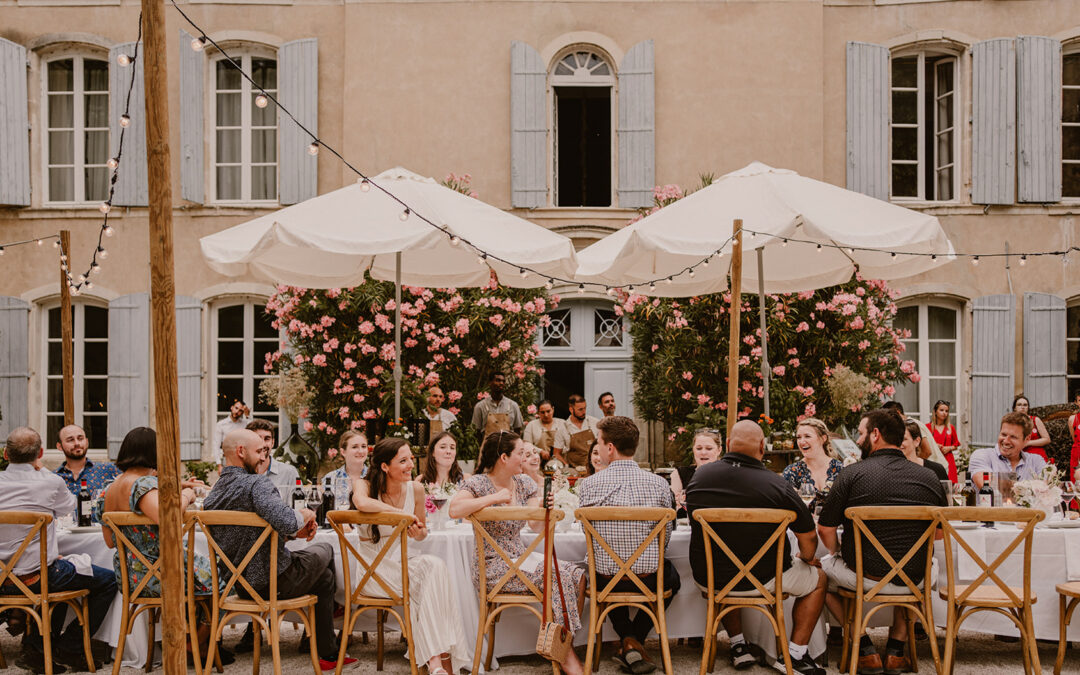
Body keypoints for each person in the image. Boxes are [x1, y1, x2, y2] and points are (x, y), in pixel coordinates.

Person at [204, 429, 356, 670]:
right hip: (275, 581)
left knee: (325, 578)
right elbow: (287, 520)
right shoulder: (256, 483)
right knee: (326, 547)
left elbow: (250, 535)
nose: (264, 458)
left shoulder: (215, 493)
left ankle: (325, 650)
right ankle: (333, 625)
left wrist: (290, 532)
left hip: (242, 587)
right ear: (241, 452)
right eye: (259, 452)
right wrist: (305, 515)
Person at [686, 420, 827, 675]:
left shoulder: (700, 477)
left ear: (727, 445)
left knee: (725, 566)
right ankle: (794, 653)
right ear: (762, 448)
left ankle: (738, 644)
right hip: (766, 578)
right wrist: (806, 559)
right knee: (819, 578)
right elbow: (808, 537)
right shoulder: (777, 485)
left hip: (710, 577)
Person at [817, 409, 947, 674]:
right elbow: (939, 534)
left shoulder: (852, 475)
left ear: (876, 435)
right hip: (914, 577)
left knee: (819, 573)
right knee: (919, 569)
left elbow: (825, 527)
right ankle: (896, 652)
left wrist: (838, 553)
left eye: (862, 433)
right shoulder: (929, 477)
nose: (859, 439)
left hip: (866, 575)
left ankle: (863, 646)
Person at [449, 432, 588, 675]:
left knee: (577, 575)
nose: (525, 457)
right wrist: (495, 498)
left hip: (522, 558)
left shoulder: (524, 483)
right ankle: (567, 658)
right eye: (520, 453)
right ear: (504, 457)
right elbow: (454, 509)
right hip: (493, 565)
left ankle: (562, 646)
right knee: (556, 576)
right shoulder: (478, 483)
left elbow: (535, 527)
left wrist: (545, 507)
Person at [92, 427, 234, 664]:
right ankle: (195, 641)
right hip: (164, 573)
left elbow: (109, 542)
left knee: (210, 574)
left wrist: (176, 486)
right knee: (229, 575)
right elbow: (167, 520)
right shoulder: (142, 484)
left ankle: (195, 640)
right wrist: (187, 497)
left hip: (133, 577)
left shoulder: (110, 489)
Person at [0, 427, 116, 674]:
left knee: (62, 570)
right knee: (107, 580)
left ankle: (37, 646)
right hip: (37, 577)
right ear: (41, 452)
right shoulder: (51, 482)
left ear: (5, 454)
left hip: (2, 579)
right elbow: (66, 511)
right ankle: (69, 646)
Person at [351, 438, 468, 674]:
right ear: (385, 466)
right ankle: (442, 661)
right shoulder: (363, 485)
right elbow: (361, 503)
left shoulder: (415, 489)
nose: (410, 465)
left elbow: (422, 532)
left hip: (402, 565)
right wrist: (399, 515)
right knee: (430, 576)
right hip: (372, 572)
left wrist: (418, 532)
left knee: (435, 569)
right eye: (402, 461)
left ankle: (435, 663)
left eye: (410, 459)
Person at [577, 416, 681, 675]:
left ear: (610, 448)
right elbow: (664, 540)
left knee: (603, 574)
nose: (597, 448)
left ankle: (628, 639)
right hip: (647, 579)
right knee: (672, 577)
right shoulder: (658, 483)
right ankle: (634, 641)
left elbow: (586, 535)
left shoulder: (589, 484)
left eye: (598, 443)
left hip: (605, 578)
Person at [969, 412, 1049, 485]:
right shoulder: (982, 455)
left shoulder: (1036, 461)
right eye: (1003, 435)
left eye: (1013, 437)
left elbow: (1048, 490)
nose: (1006, 441)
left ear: (1027, 440)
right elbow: (987, 486)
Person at [53, 424, 119, 503]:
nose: (77, 443)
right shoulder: (53, 478)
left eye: (80, 439)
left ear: (87, 442)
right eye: (70, 440)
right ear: (59, 446)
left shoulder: (108, 470)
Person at [781, 418, 843, 498]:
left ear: (823, 439)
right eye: (799, 437)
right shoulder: (791, 472)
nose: (802, 442)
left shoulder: (840, 469)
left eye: (807, 436)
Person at [670, 429, 722, 513]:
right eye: (699, 448)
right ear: (693, 450)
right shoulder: (680, 474)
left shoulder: (726, 474)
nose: (703, 452)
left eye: (709, 449)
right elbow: (672, 510)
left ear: (719, 450)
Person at [246, 419, 300, 491]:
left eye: (267, 439)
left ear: (272, 443)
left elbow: (299, 501)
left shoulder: (289, 473)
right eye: (258, 438)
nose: (263, 444)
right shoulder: (240, 474)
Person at [564, 394, 601, 470]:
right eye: (580, 409)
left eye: (585, 408)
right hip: (574, 471)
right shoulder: (564, 427)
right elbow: (557, 453)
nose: (584, 412)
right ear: (571, 409)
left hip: (595, 469)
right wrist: (567, 467)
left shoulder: (595, 423)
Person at [925, 400, 960, 482]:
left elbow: (956, 444)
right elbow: (922, 444)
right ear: (935, 412)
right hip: (934, 459)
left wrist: (949, 448)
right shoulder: (927, 427)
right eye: (941, 410)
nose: (944, 413)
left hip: (948, 459)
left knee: (950, 484)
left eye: (946, 411)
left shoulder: (950, 428)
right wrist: (934, 445)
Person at [212, 400, 252, 467]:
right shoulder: (221, 424)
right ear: (232, 407)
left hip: (242, 459)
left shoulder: (245, 424)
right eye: (236, 408)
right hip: (227, 459)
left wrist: (247, 415)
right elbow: (216, 445)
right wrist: (219, 464)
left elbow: (252, 431)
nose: (237, 412)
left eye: (240, 411)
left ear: (242, 413)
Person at [1013, 395, 1051, 463]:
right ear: (1015, 408)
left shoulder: (1035, 420)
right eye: (1019, 405)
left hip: (1036, 455)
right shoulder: (1011, 423)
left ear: (1028, 408)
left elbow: (1047, 439)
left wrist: (1028, 443)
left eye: (1025, 405)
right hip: (1018, 455)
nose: (1022, 407)